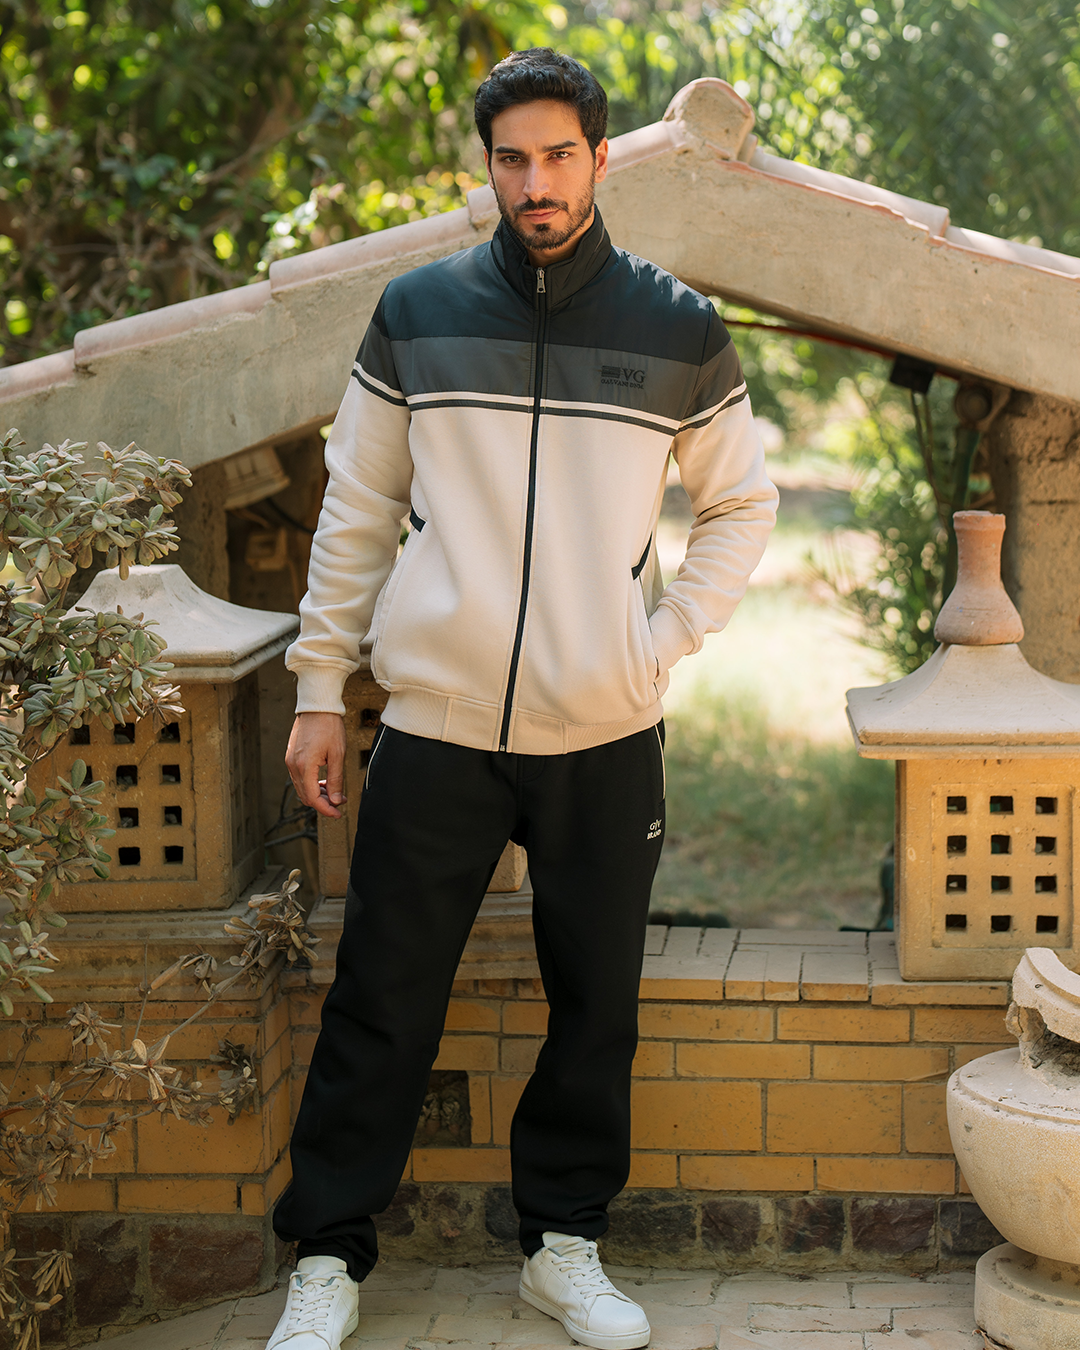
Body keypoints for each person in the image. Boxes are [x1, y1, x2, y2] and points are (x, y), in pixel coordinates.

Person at [265, 47, 777, 1350]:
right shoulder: (417, 312)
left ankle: (564, 1245)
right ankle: (326, 1256)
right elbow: (358, 507)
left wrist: (662, 639)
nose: (536, 183)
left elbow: (740, 504)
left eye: (558, 157)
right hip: (436, 725)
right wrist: (320, 685)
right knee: (381, 997)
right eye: (512, 159)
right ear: (487, 166)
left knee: (595, 1002)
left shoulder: (676, 324)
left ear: (599, 160)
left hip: (604, 728)